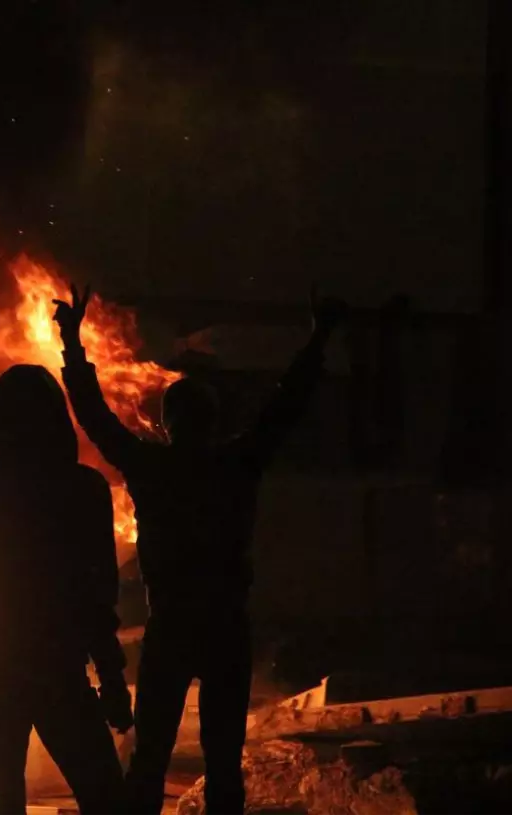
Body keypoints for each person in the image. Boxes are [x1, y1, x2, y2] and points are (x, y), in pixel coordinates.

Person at [52, 285, 348, 815]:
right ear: (212, 422)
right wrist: (319, 338)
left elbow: (95, 419)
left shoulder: (152, 468)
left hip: (171, 628)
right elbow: (285, 408)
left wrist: (73, 345)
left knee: (149, 760)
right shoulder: (236, 464)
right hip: (224, 628)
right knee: (223, 762)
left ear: (168, 424)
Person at [0, 363, 134, 815]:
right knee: (106, 801)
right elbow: (97, 599)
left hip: (0, 674)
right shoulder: (85, 491)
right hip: (60, 670)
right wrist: (112, 680)